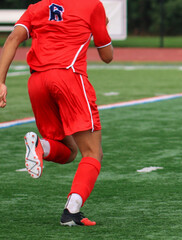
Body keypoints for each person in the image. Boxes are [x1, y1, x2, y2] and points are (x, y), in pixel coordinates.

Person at [0, 0, 113, 225]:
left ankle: (42, 146)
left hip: (37, 82)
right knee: (92, 153)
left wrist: (1, 82)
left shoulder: (37, 7)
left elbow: (12, 39)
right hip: (68, 77)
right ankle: (71, 211)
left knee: (69, 151)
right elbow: (107, 56)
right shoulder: (92, 6)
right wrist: (101, 27)